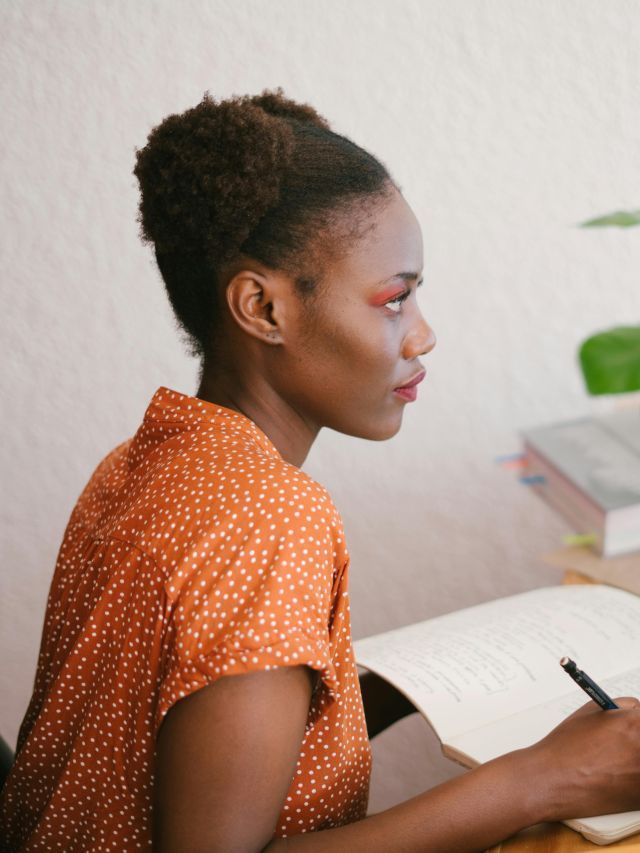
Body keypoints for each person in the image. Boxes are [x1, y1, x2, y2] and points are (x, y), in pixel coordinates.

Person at [1, 89, 640, 853]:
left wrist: (361, 698)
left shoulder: (146, 460)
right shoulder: (270, 518)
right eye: (395, 300)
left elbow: (163, 726)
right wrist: (543, 778)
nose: (423, 336)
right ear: (263, 309)